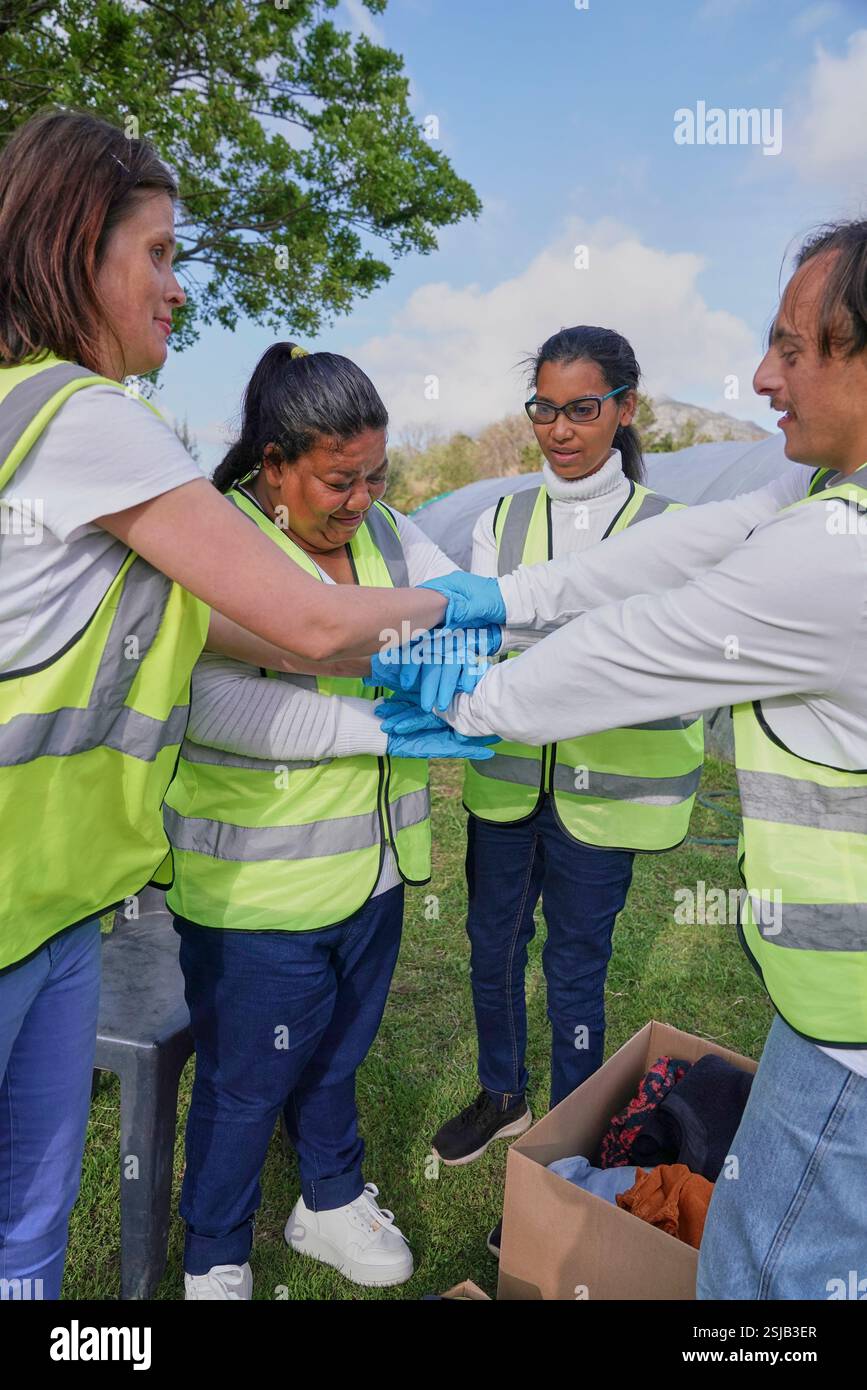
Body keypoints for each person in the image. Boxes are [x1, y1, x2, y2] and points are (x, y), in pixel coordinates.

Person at [0, 108, 449, 1301]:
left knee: (28, 1230)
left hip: (54, 900)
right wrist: (471, 621)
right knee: (29, 1218)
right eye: (158, 254)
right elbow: (299, 624)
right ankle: (212, 1258)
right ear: (74, 245)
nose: (179, 290)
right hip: (52, 894)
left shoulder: (45, 419)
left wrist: (382, 658)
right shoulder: (85, 417)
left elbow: (244, 627)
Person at [388, 220, 867, 1299]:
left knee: (766, 1277)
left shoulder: (837, 550)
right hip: (830, 1015)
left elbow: (660, 634)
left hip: (851, 1034)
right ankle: (532, 1115)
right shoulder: (810, 501)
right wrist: (503, 599)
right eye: (543, 408)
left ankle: (574, 1142)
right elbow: (680, 550)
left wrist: (479, 699)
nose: (762, 374)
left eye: (794, 348)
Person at [164, 344, 494, 1299]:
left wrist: (448, 649)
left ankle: (330, 1198)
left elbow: (458, 617)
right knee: (244, 1082)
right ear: (273, 465)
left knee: (340, 1050)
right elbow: (207, 704)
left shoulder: (388, 532)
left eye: (375, 476)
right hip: (257, 880)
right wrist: (375, 728)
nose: (361, 500)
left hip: (373, 868)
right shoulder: (214, 540)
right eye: (338, 480)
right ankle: (214, 1255)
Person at [428, 328, 703, 1192]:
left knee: (576, 964)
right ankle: (502, 1093)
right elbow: (485, 642)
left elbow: (672, 668)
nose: (559, 429)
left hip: (604, 798)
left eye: (582, 409)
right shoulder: (500, 519)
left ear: (625, 409)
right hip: (506, 783)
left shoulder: (672, 530)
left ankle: (566, 1143)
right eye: (543, 408)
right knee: (490, 945)